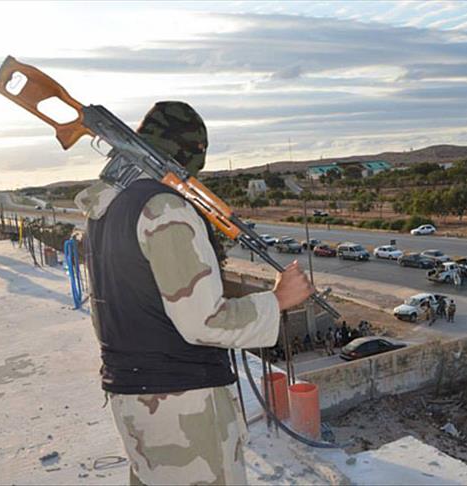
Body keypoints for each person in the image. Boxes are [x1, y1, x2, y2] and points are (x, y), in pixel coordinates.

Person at [74, 101, 315, 486]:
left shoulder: (107, 207)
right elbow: (204, 322)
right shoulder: (164, 209)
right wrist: (278, 299)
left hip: (136, 398)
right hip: (182, 404)